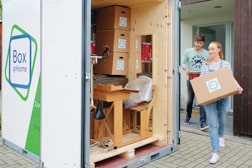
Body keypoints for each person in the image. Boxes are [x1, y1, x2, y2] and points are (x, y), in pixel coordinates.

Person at [200, 41, 243, 164]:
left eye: (213, 49)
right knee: (213, 123)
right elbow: (202, 81)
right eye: (209, 49)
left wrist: (238, 86)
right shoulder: (205, 65)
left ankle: (220, 136)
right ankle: (215, 153)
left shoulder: (225, 64)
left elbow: (230, 78)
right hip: (210, 97)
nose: (210, 51)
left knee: (222, 118)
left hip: (223, 95)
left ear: (219, 49)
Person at [181, 34, 210, 131]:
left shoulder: (206, 53)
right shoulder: (188, 51)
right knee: (190, 99)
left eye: (201, 43)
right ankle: (188, 116)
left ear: (203, 43)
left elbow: (209, 63)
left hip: (202, 78)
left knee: (202, 100)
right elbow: (183, 62)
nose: (199, 45)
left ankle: (203, 122)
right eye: (197, 43)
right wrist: (186, 69)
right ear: (194, 42)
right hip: (191, 77)